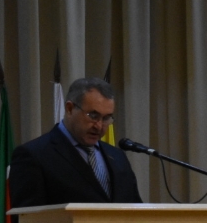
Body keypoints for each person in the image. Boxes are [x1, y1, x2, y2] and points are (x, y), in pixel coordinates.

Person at [10, 77, 142, 207]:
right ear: (69, 109)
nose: (99, 126)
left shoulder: (118, 157)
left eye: (106, 118)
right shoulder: (34, 155)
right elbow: (27, 218)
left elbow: (137, 211)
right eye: (93, 116)